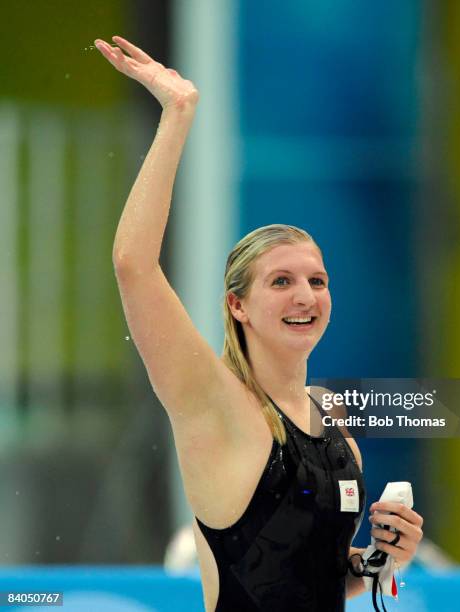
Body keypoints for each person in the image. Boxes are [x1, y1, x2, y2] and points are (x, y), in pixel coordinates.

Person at [95, 35, 424, 611]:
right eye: (281, 281)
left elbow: (322, 579)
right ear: (237, 306)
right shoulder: (214, 402)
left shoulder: (335, 422)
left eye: (316, 281)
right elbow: (134, 266)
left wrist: (385, 557)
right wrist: (177, 114)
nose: (305, 296)